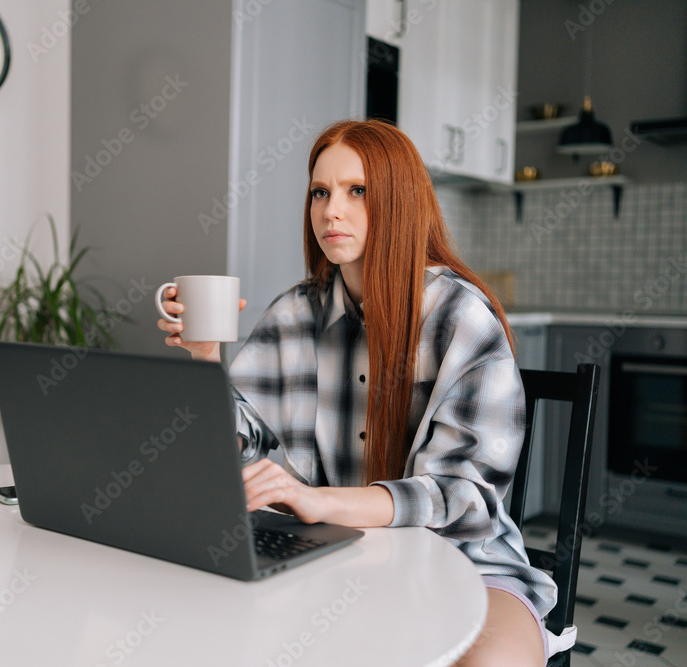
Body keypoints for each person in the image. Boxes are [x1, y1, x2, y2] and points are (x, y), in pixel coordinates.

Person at [157, 119, 563, 666]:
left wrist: (317, 500)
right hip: (334, 555)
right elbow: (236, 442)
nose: (331, 211)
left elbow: (465, 497)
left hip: (468, 563)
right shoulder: (295, 313)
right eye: (320, 192)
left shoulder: (460, 315)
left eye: (357, 191)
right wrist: (204, 359)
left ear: (398, 202)